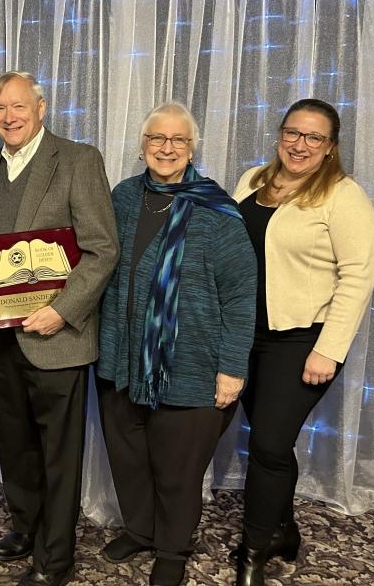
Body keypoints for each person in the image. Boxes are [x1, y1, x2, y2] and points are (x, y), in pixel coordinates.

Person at [97, 102, 257, 586]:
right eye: (157, 139)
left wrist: (232, 368)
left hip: (191, 365)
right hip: (121, 360)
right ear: (143, 145)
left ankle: (172, 546)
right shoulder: (123, 197)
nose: (167, 149)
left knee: (176, 469)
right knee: (128, 457)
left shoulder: (217, 211)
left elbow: (241, 294)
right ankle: (141, 530)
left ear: (192, 147)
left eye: (178, 140)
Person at [0, 71, 118, 586]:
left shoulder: (78, 160)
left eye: (18, 106)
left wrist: (62, 309)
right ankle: (25, 525)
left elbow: (104, 248)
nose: (8, 117)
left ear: (40, 108)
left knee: (58, 454)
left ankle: (54, 559)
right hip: (4, 335)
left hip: (57, 336)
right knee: (16, 444)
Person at [231, 99, 374, 586]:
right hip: (243, 333)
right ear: (280, 135)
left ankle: (253, 550)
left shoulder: (343, 195)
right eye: (293, 132)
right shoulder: (253, 180)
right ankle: (284, 527)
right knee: (270, 445)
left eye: (314, 137)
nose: (300, 144)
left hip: (301, 338)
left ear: (330, 148)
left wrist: (329, 349)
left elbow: (357, 276)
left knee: (270, 443)